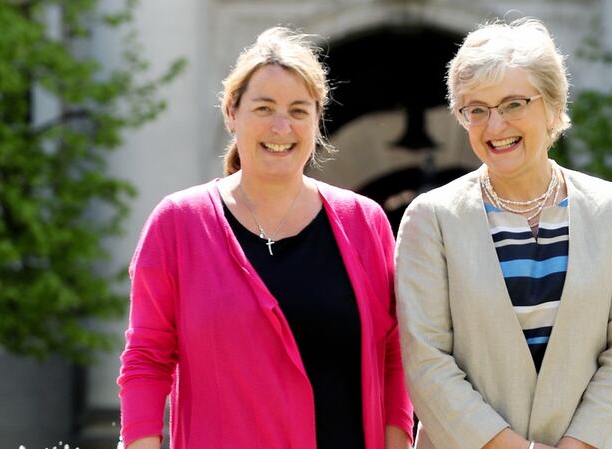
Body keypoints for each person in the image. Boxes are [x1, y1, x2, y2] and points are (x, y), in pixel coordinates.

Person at [118, 27, 413, 449]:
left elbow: (394, 355)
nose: (281, 126)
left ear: (317, 120)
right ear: (232, 114)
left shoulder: (364, 222)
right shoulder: (178, 224)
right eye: (264, 108)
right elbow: (146, 359)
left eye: (298, 110)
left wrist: (397, 442)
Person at [395, 18, 612, 449]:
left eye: (514, 104)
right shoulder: (431, 219)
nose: (495, 126)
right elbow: (426, 362)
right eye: (476, 109)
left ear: (553, 106)